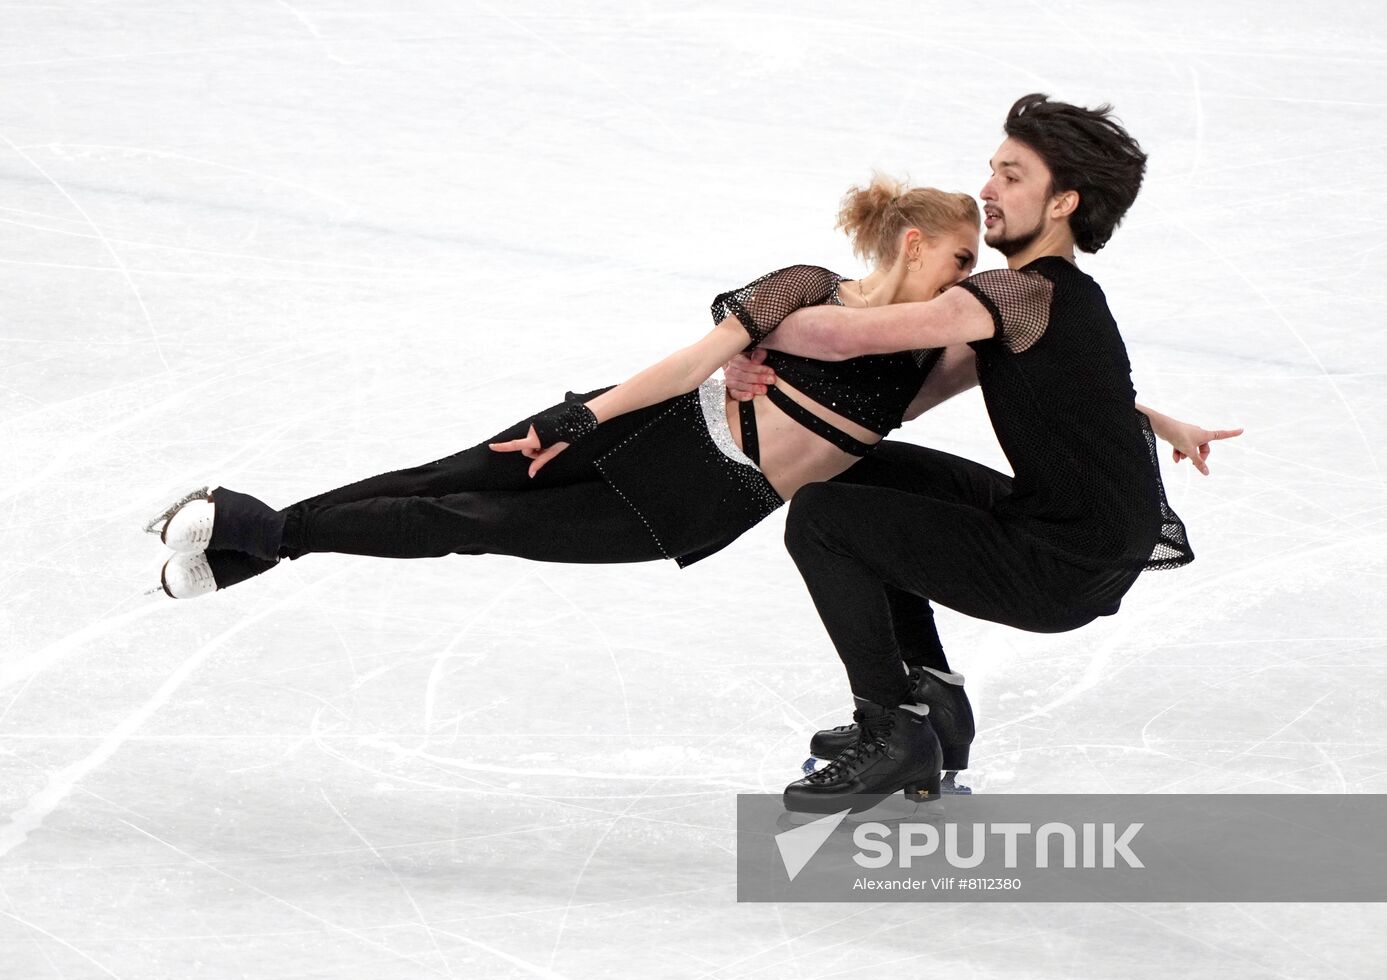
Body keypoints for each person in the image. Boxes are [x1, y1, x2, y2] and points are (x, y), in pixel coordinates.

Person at [738, 94, 1245, 814]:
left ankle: (889, 729)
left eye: (1011, 176)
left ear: (1062, 202)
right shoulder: (1060, 296)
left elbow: (843, 337)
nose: (986, 191)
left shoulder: (1013, 294)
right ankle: (933, 705)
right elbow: (1059, 394)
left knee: (821, 519)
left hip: (1060, 561)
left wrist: (740, 326)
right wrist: (1162, 421)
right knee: (856, 474)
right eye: (992, 171)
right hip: (1078, 532)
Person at [147, 177, 986, 597]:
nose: (965, 280)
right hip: (649, 421)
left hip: (701, 497)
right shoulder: (808, 285)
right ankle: (262, 537)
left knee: (467, 521)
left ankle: (259, 534)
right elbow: (692, 363)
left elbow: (1006, 351)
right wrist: (578, 419)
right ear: (912, 244)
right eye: (960, 258)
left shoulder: (931, 350)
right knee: (445, 477)